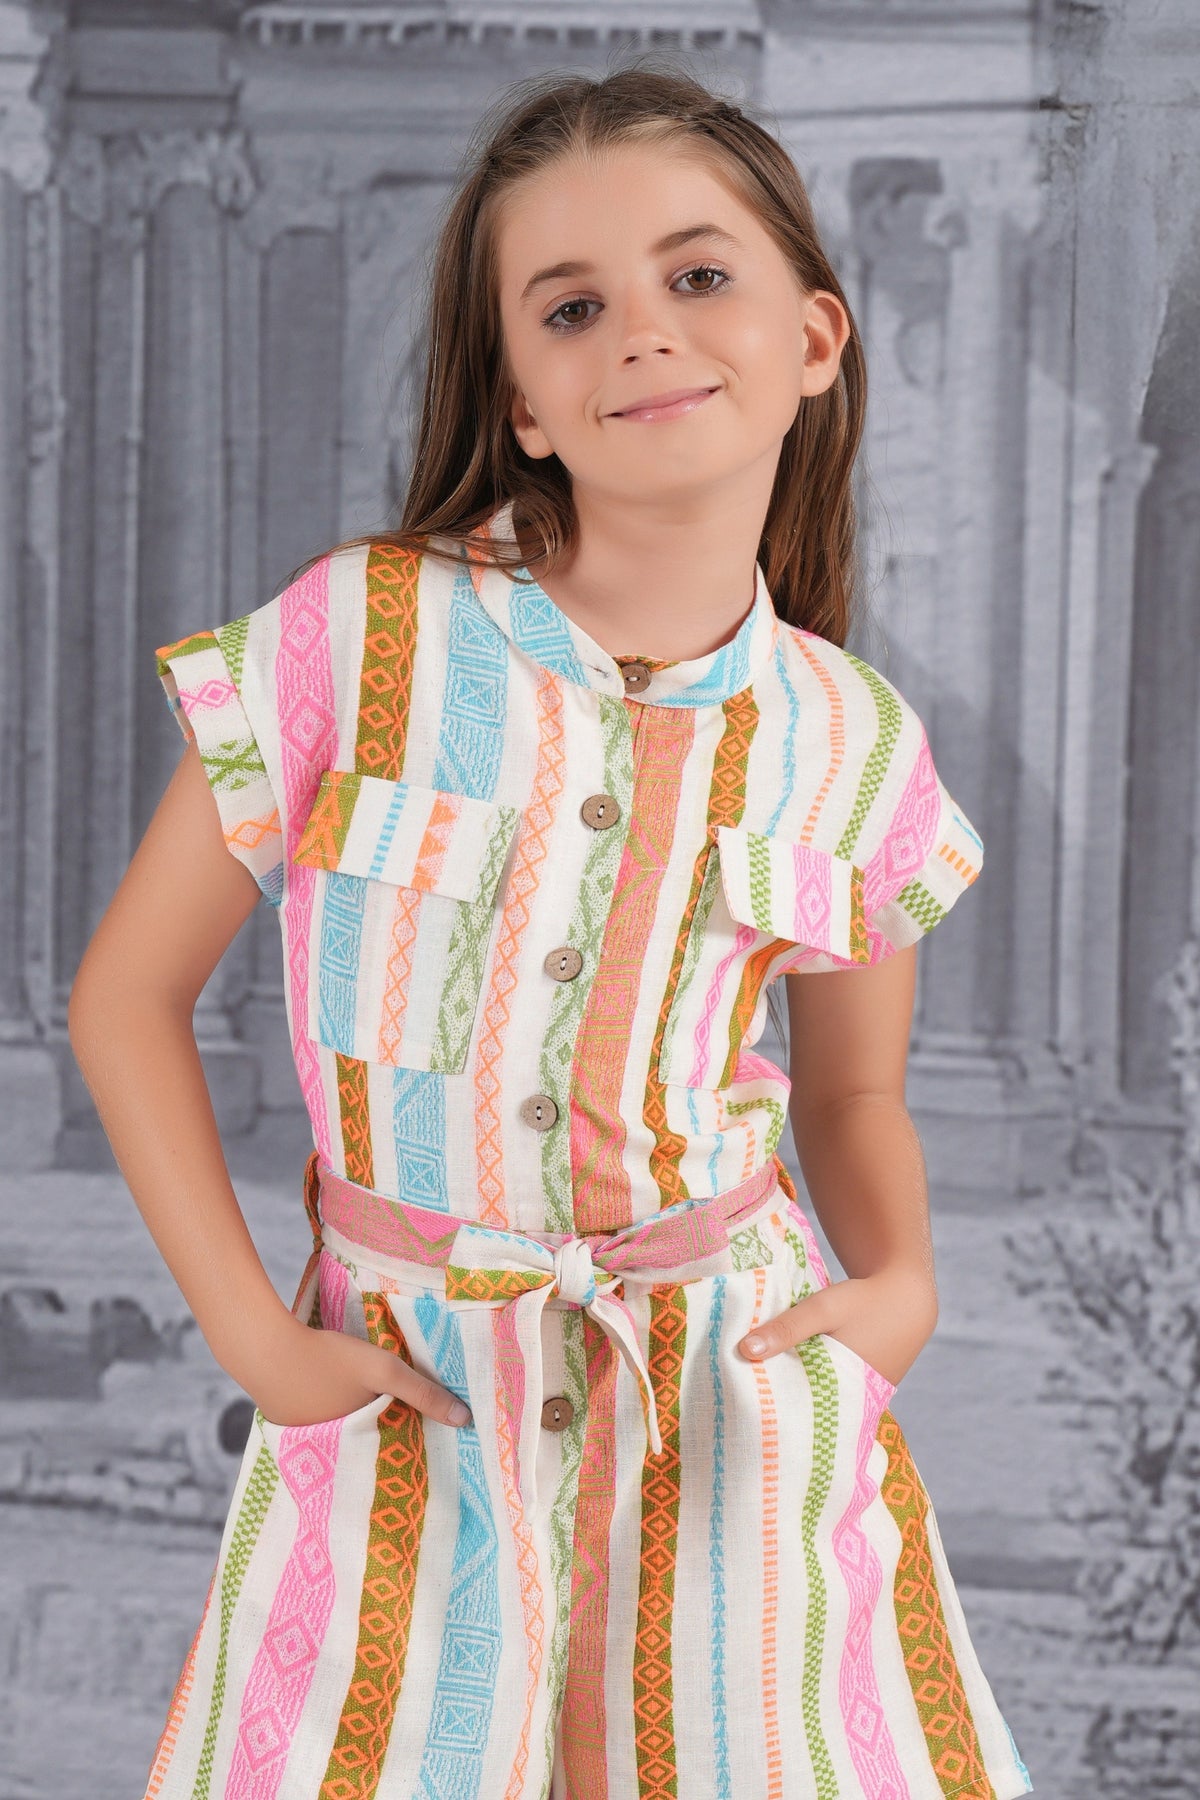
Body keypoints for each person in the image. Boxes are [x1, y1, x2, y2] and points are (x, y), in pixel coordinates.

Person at [69, 60, 1035, 1800]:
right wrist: (258, 1343)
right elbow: (128, 998)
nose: (645, 331)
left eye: (700, 274)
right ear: (521, 401)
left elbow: (851, 1097)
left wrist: (898, 1288)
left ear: (816, 339)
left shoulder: (855, 742)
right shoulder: (359, 636)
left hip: (733, 1410)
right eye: (573, 306)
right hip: (405, 1398)